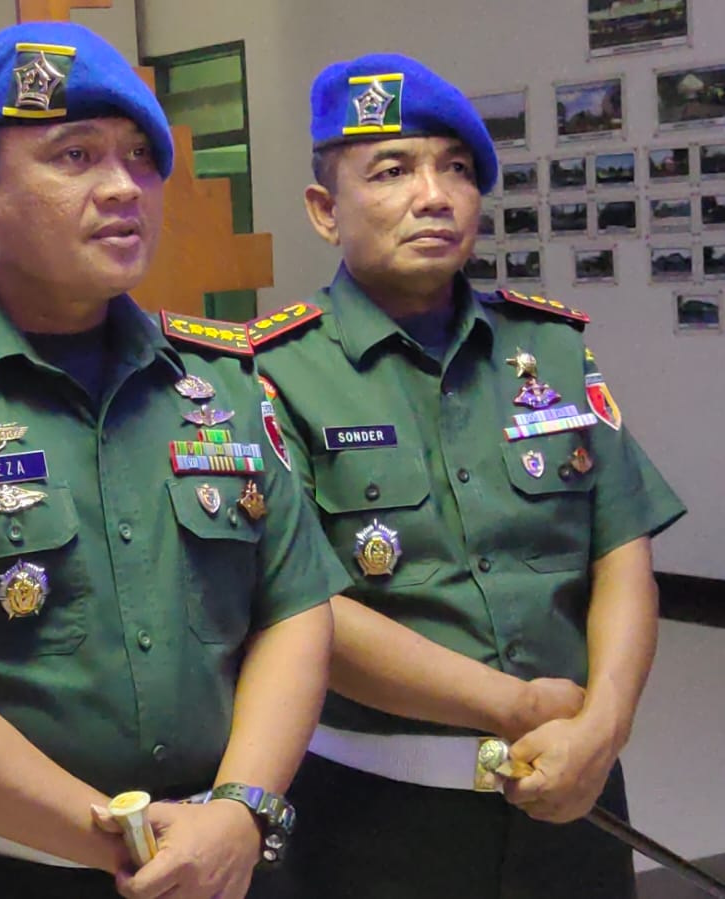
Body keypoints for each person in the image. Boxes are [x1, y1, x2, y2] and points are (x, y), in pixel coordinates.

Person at [0, 21, 348, 899]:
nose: (123, 189)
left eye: (139, 158)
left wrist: (238, 809)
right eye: (74, 156)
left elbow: (295, 611)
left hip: (223, 861)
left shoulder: (222, 382)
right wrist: (122, 839)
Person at [251, 53, 686, 898]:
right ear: (322, 210)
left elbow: (619, 552)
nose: (434, 195)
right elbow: (303, 606)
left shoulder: (550, 351)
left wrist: (603, 725)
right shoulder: (268, 374)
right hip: (376, 815)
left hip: (576, 795)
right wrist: (515, 709)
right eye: (392, 170)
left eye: (456, 169)